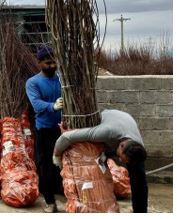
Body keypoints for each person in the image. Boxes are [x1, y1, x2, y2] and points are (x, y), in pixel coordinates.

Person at [52, 109, 148, 213]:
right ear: (121, 145)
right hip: (110, 118)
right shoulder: (105, 132)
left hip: (125, 122)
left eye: (123, 160)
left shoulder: (138, 148)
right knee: (97, 165)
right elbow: (67, 137)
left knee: (139, 179)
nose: (119, 160)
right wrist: (56, 155)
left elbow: (132, 159)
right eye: (120, 157)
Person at [25, 46, 64, 213]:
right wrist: (53, 106)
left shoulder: (62, 80)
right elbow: (36, 104)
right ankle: (50, 201)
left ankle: (64, 193)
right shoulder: (33, 82)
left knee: (63, 165)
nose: (52, 65)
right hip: (45, 130)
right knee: (45, 165)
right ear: (39, 62)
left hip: (63, 130)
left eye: (54, 62)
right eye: (48, 63)